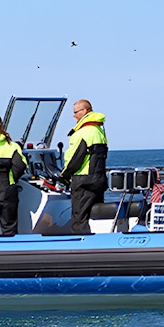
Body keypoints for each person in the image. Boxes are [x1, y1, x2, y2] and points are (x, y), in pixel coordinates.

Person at [60, 99, 109, 235]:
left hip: (83, 180)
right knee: (95, 216)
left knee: (79, 217)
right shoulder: (99, 131)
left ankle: (79, 247)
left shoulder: (82, 132)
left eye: (76, 112)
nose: (73, 115)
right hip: (98, 179)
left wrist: (63, 176)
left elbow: (75, 160)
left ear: (85, 111)